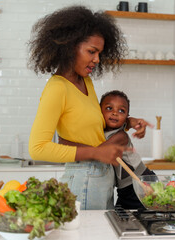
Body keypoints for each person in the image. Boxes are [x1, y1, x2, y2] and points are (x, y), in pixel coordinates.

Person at [28, 5, 151, 210]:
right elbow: (37, 148)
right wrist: (95, 153)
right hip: (85, 175)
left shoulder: (85, 82)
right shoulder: (57, 88)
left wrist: (129, 121)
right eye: (91, 52)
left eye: (99, 53)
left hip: (102, 176)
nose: (97, 60)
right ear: (68, 47)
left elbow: (94, 124)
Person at [61, 90, 155, 209]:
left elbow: (98, 153)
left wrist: (65, 142)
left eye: (121, 111)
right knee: (121, 219)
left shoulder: (121, 136)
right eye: (109, 108)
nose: (115, 113)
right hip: (124, 188)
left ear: (126, 116)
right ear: (99, 112)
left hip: (140, 183)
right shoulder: (101, 131)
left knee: (147, 216)